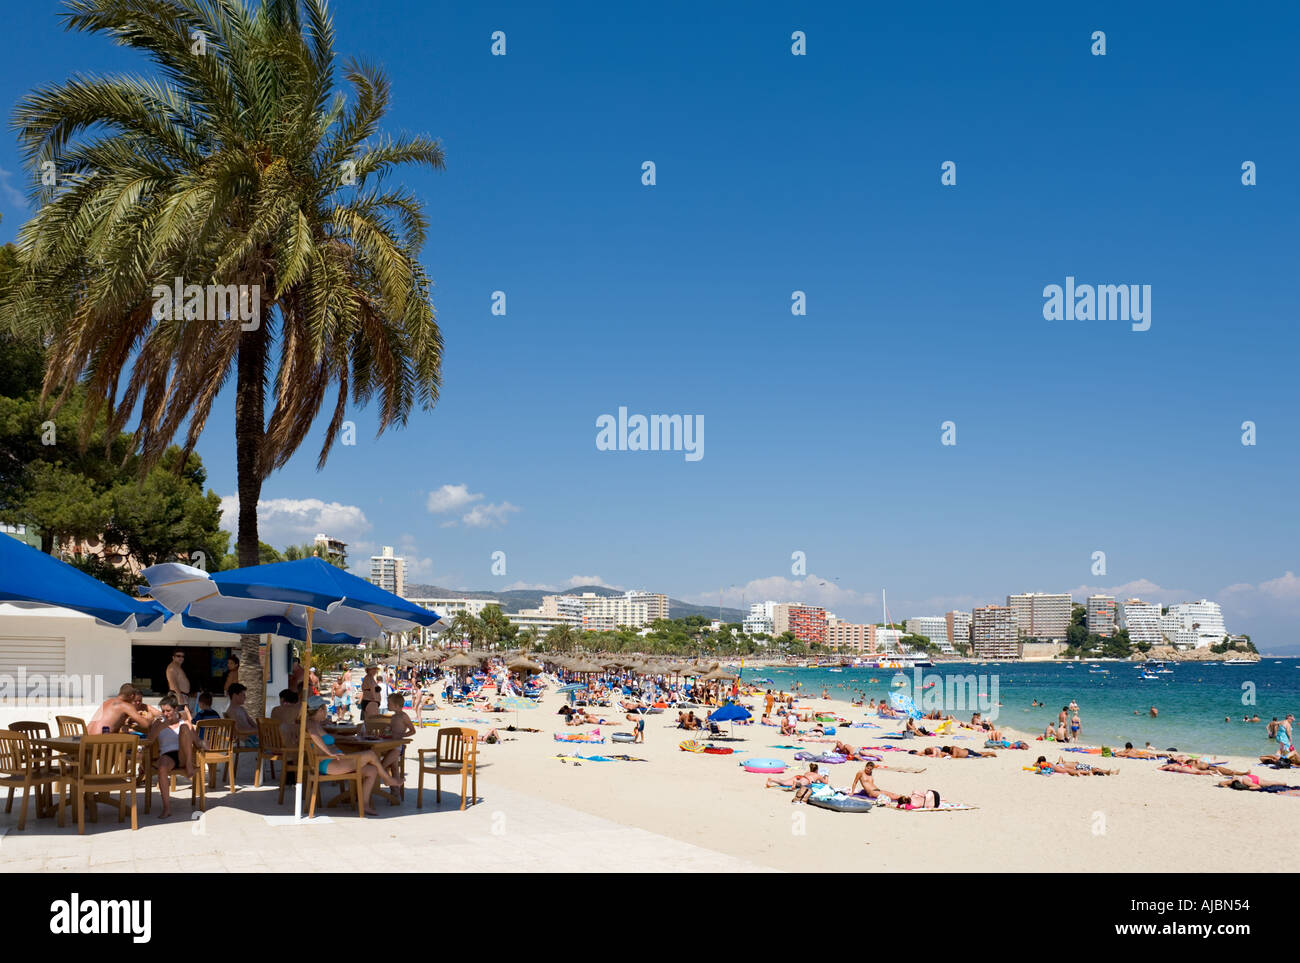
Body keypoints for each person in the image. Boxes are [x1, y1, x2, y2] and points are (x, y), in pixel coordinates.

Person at [303, 695, 402, 816]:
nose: (326, 711)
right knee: (370, 754)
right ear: (319, 710)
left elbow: (328, 737)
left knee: (372, 770)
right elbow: (314, 736)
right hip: (328, 763)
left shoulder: (316, 724)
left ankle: (364, 804)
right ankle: (387, 779)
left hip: (330, 762)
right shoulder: (311, 724)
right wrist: (330, 752)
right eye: (325, 708)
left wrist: (347, 737)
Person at [144, 695, 198, 818]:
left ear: (175, 709)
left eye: (168, 710)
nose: (165, 713)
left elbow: (197, 742)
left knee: (185, 728)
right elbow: (149, 742)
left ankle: (188, 765)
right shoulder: (158, 723)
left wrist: (204, 745)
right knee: (162, 767)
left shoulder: (184, 723)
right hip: (168, 756)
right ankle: (167, 808)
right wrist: (158, 728)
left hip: (184, 755)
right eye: (163, 711)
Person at [87, 684, 154, 734]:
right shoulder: (126, 706)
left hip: (86, 739)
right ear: (132, 696)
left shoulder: (107, 702)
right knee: (133, 743)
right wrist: (150, 718)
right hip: (100, 744)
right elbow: (145, 725)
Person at [224, 683, 259, 748]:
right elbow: (237, 730)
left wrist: (260, 730)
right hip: (246, 740)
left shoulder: (242, 709)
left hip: (252, 737)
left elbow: (252, 723)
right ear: (235, 695)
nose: (245, 697)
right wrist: (256, 731)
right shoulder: (231, 712)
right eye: (243, 695)